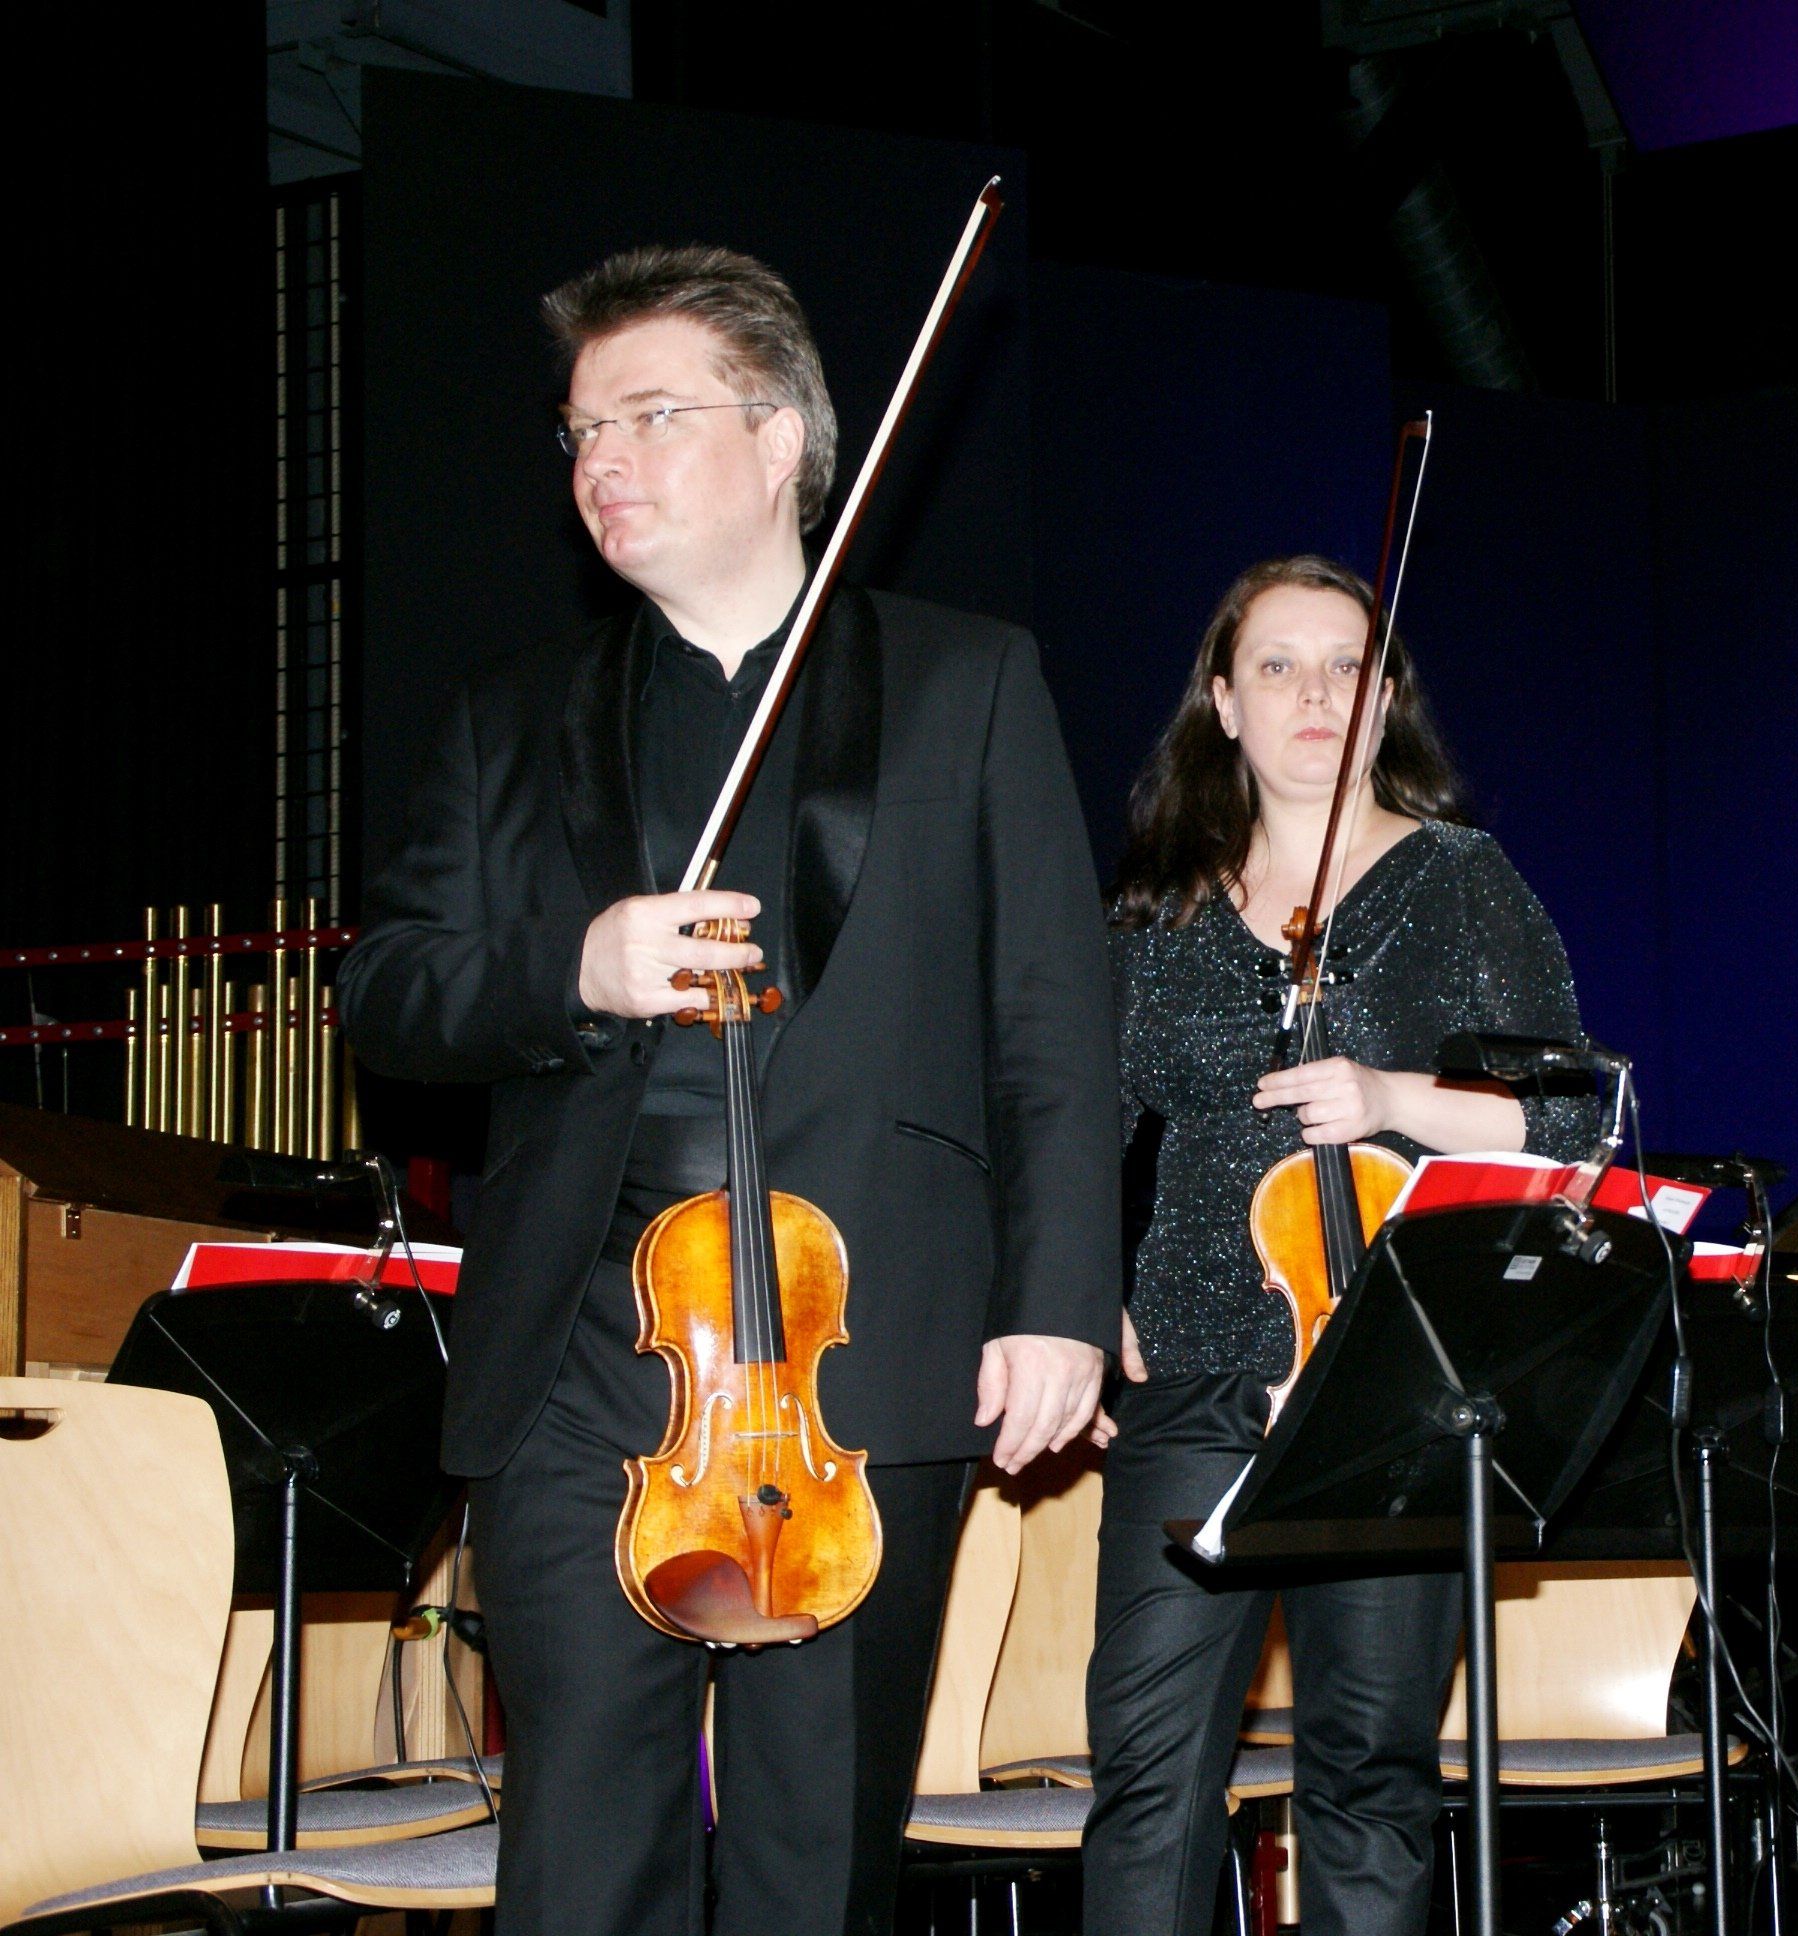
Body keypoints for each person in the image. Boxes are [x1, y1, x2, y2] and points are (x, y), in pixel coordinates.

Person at [341, 245, 1118, 1936]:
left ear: (781, 440)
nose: (599, 461)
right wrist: (575, 965)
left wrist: (1058, 1300)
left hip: (861, 1347)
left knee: (812, 1866)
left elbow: (1055, 1027)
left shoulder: (969, 679)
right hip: (585, 1355)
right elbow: (388, 996)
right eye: (579, 432)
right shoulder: (507, 715)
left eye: (647, 417)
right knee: (578, 1861)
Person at [1083, 555, 1599, 1936]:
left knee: (1370, 1774)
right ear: (1223, 703)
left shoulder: (1460, 880)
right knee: (1147, 1775)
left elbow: (1575, 1114)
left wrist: (1392, 1097)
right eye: (1278, 666)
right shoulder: (1161, 909)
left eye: (1346, 668)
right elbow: (1074, 1119)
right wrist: (1080, 1290)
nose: (1315, 694)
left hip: (1389, 1383)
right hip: (1196, 1371)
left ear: (1386, 703)